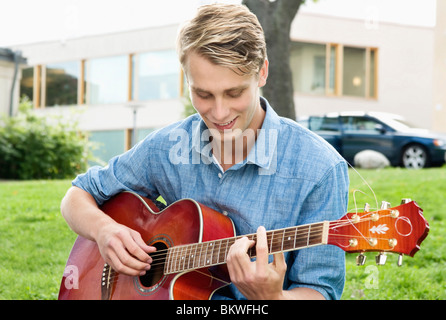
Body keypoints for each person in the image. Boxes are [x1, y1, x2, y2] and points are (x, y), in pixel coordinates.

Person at [60, 3, 349, 300]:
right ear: (187, 79)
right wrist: (105, 231)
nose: (220, 112)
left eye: (234, 93)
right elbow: (76, 197)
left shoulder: (320, 169)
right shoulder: (167, 146)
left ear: (261, 72)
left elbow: (320, 291)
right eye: (203, 94)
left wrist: (274, 298)